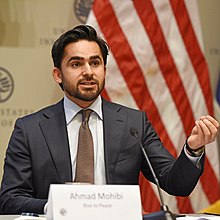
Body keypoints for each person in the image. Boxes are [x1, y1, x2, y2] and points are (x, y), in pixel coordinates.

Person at [0, 24, 219, 214]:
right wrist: (58, 207)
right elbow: (10, 199)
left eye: (95, 63)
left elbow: (175, 183)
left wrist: (192, 150)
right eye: (76, 64)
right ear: (58, 74)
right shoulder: (30, 129)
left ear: (104, 69)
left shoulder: (134, 124)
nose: (88, 72)